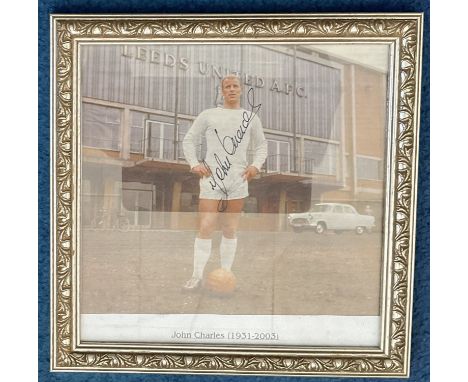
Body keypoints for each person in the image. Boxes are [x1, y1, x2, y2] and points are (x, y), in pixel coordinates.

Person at [182, 74, 268, 290]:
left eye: (235, 86)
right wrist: (194, 163)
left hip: (237, 179)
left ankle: (226, 274)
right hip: (212, 178)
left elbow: (262, 146)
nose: (231, 89)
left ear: (241, 90)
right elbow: (190, 139)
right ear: (222, 91)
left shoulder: (250, 118)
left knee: (230, 228)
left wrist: (255, 166)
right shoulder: (208, 115)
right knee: (206, 225)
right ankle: (196, 276)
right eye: (227, 86)